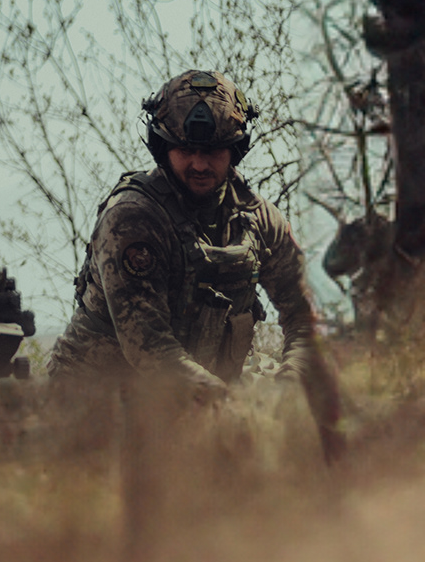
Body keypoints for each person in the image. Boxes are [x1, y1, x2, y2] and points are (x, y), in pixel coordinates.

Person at [47, 69, 346, 464]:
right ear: (163, 147)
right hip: (100, 412)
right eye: (186, 150)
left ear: (235, 150)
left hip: (199, 410)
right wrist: (240, 410)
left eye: (214, 151)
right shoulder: (134, 219)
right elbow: (151, 351)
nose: (200, 164)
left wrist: (289, 388)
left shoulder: (257, 218)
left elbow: (306, 319)